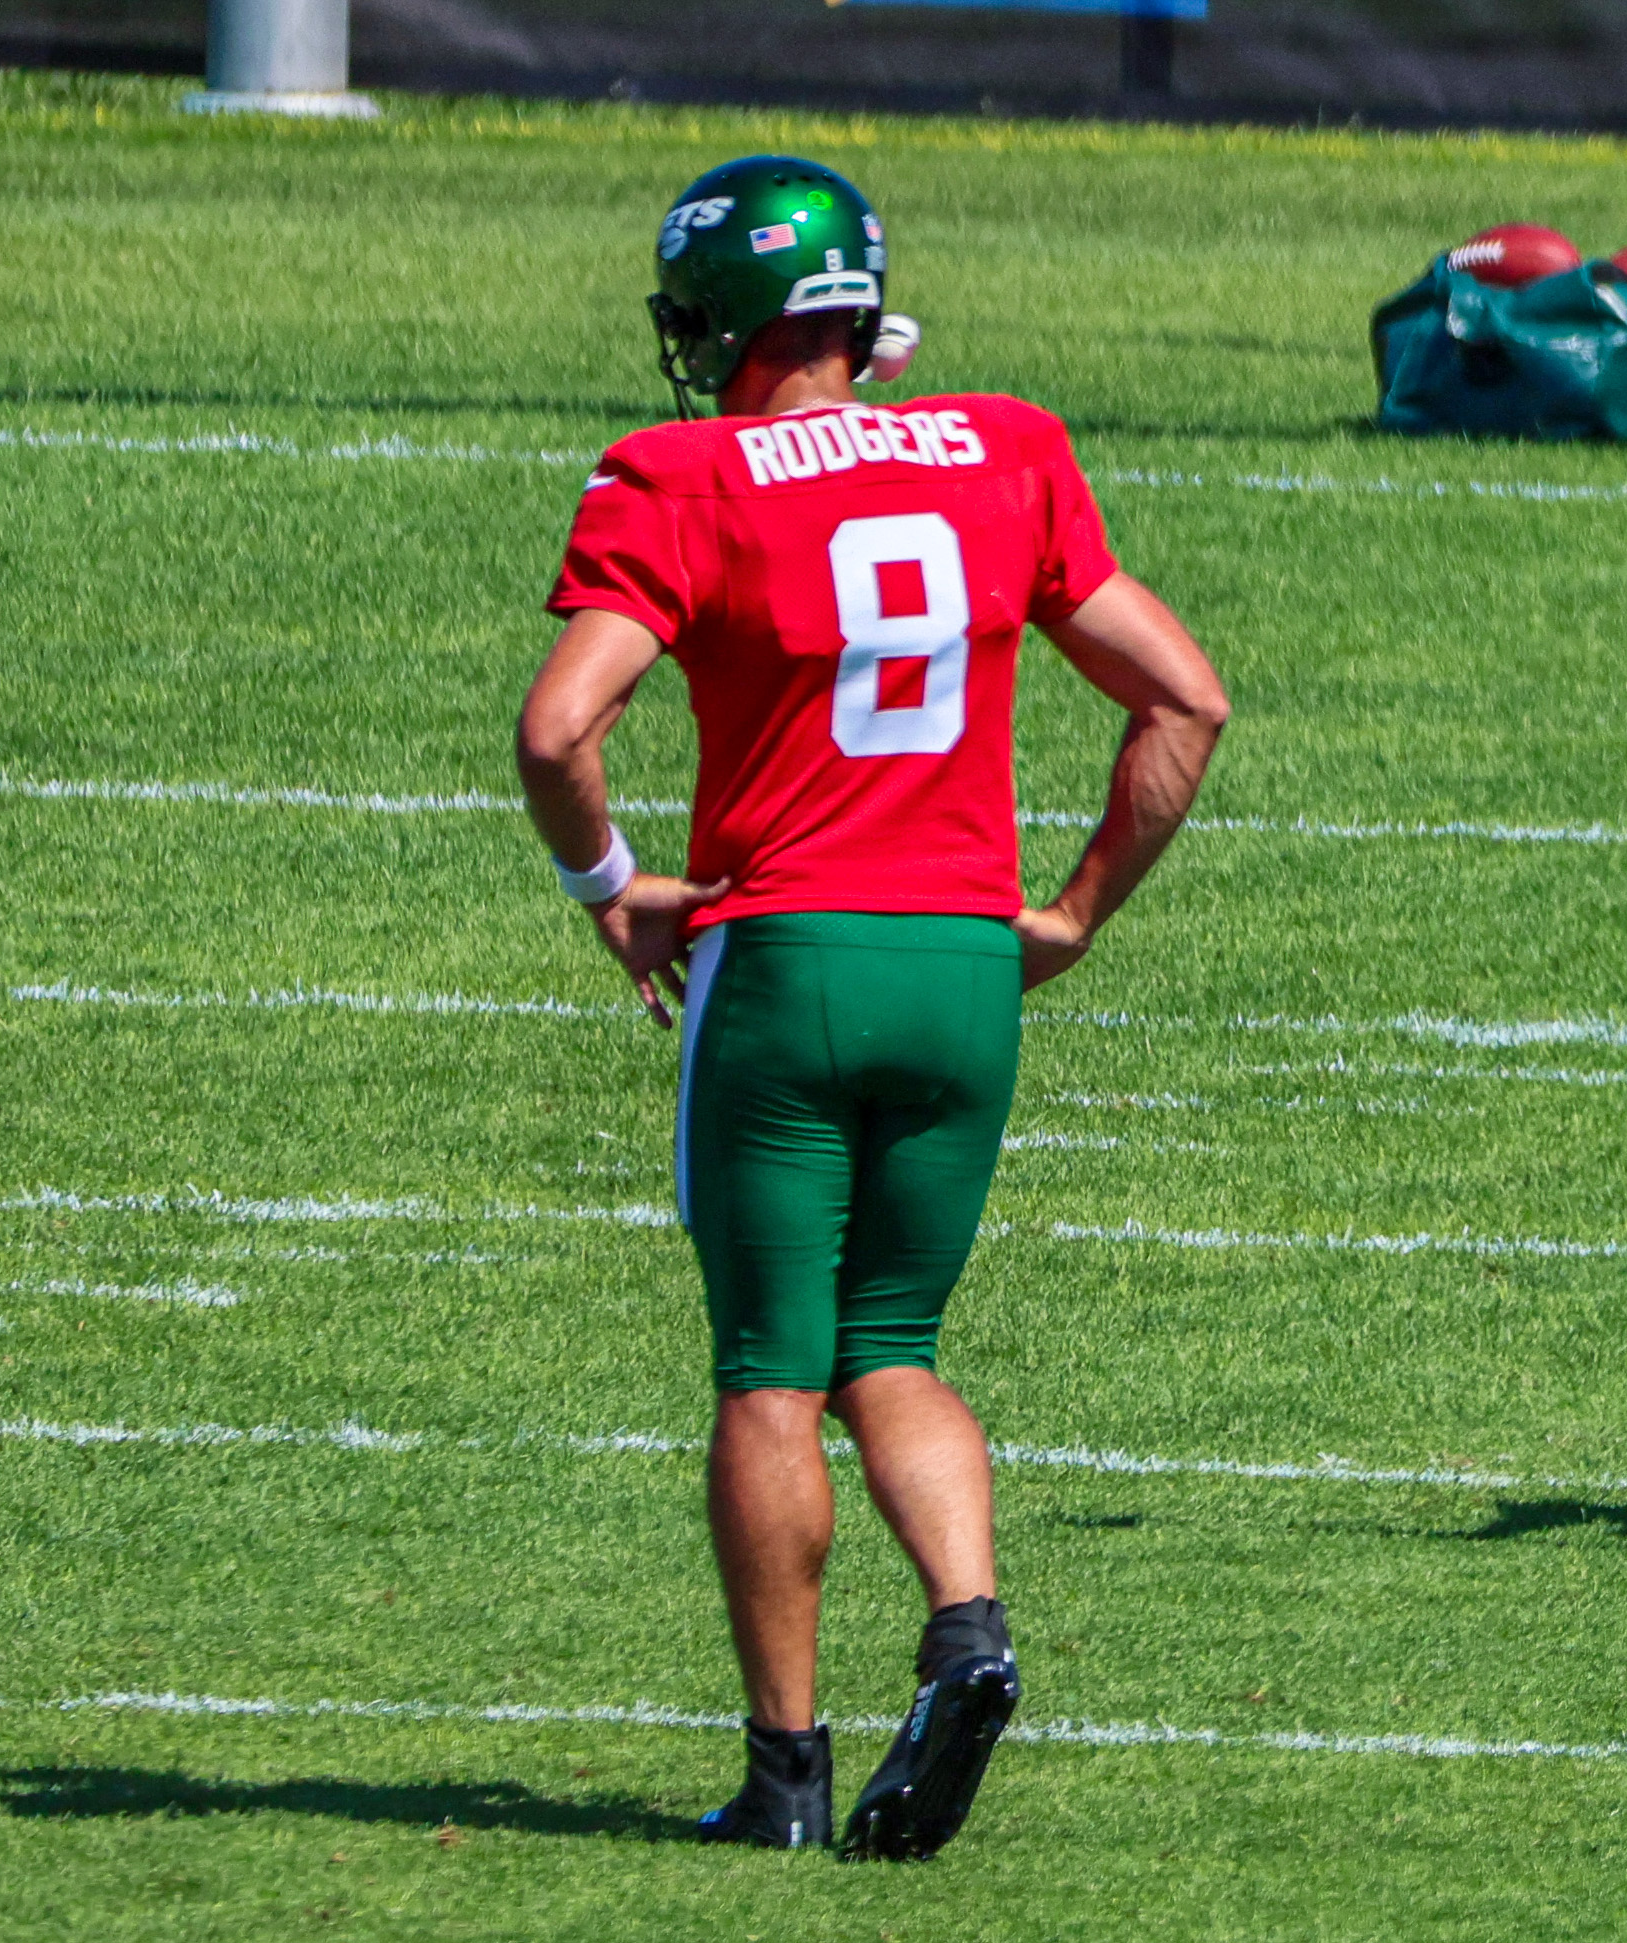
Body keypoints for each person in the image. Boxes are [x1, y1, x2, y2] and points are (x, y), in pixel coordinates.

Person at [515, 155, 1228, 1845]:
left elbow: (559, 732)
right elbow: (1184, 699)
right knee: (891, 1344)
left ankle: (782, 1780)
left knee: (771, 1367)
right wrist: (1066, 915)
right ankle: (967, 1628)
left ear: (732, 321)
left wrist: (612, 892)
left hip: (787, 956)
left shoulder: (677, 474)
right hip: (963, 963)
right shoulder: (1008, 447)